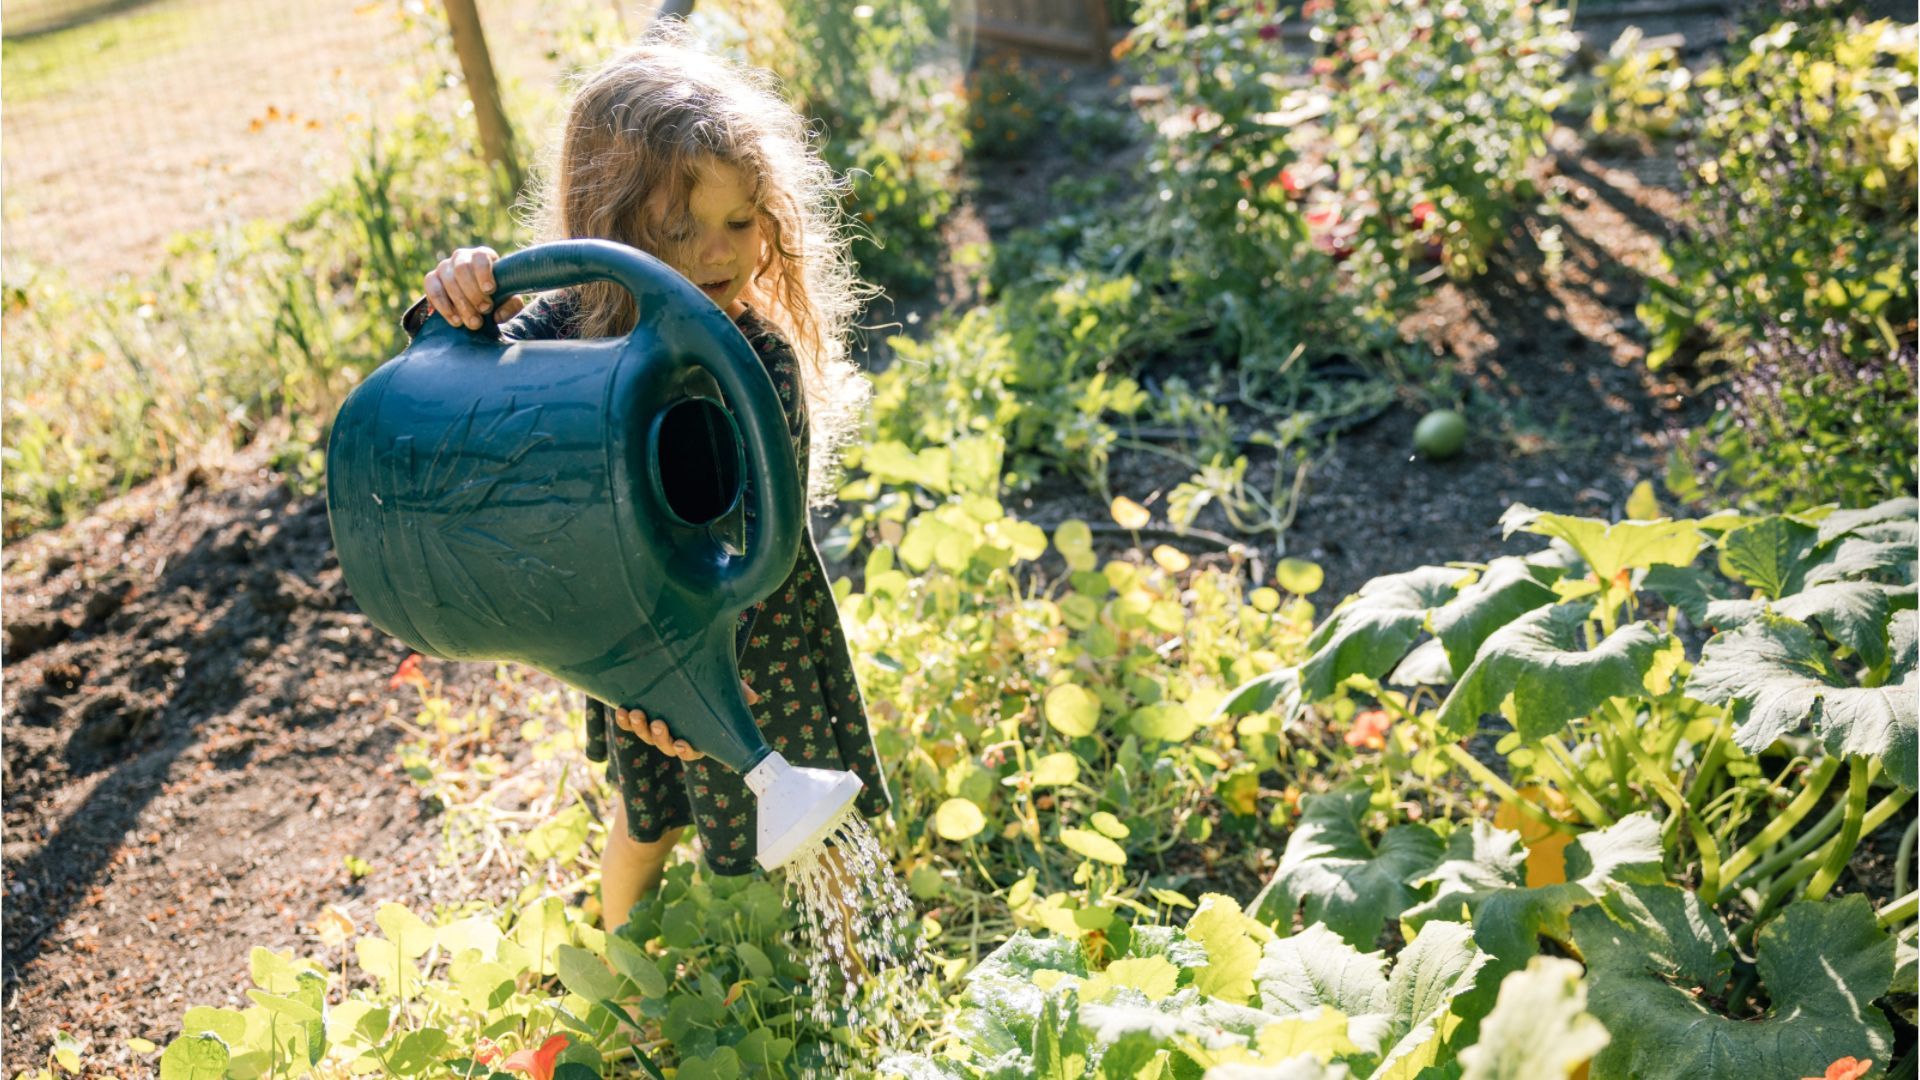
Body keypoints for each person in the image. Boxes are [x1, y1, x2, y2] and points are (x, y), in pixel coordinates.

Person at [413, 27, 891, 934]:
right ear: (608, 229)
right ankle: (622, 974)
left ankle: (856, 962)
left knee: (809, 813)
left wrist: (690, 669)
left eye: (741, 223)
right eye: (679, 231)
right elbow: (462, 396)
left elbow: (760, 543)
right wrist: (466, 296)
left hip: (752, 633)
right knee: (649, 821)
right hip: (626, 633)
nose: (719, 254)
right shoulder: (565, 327)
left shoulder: (755, 356)